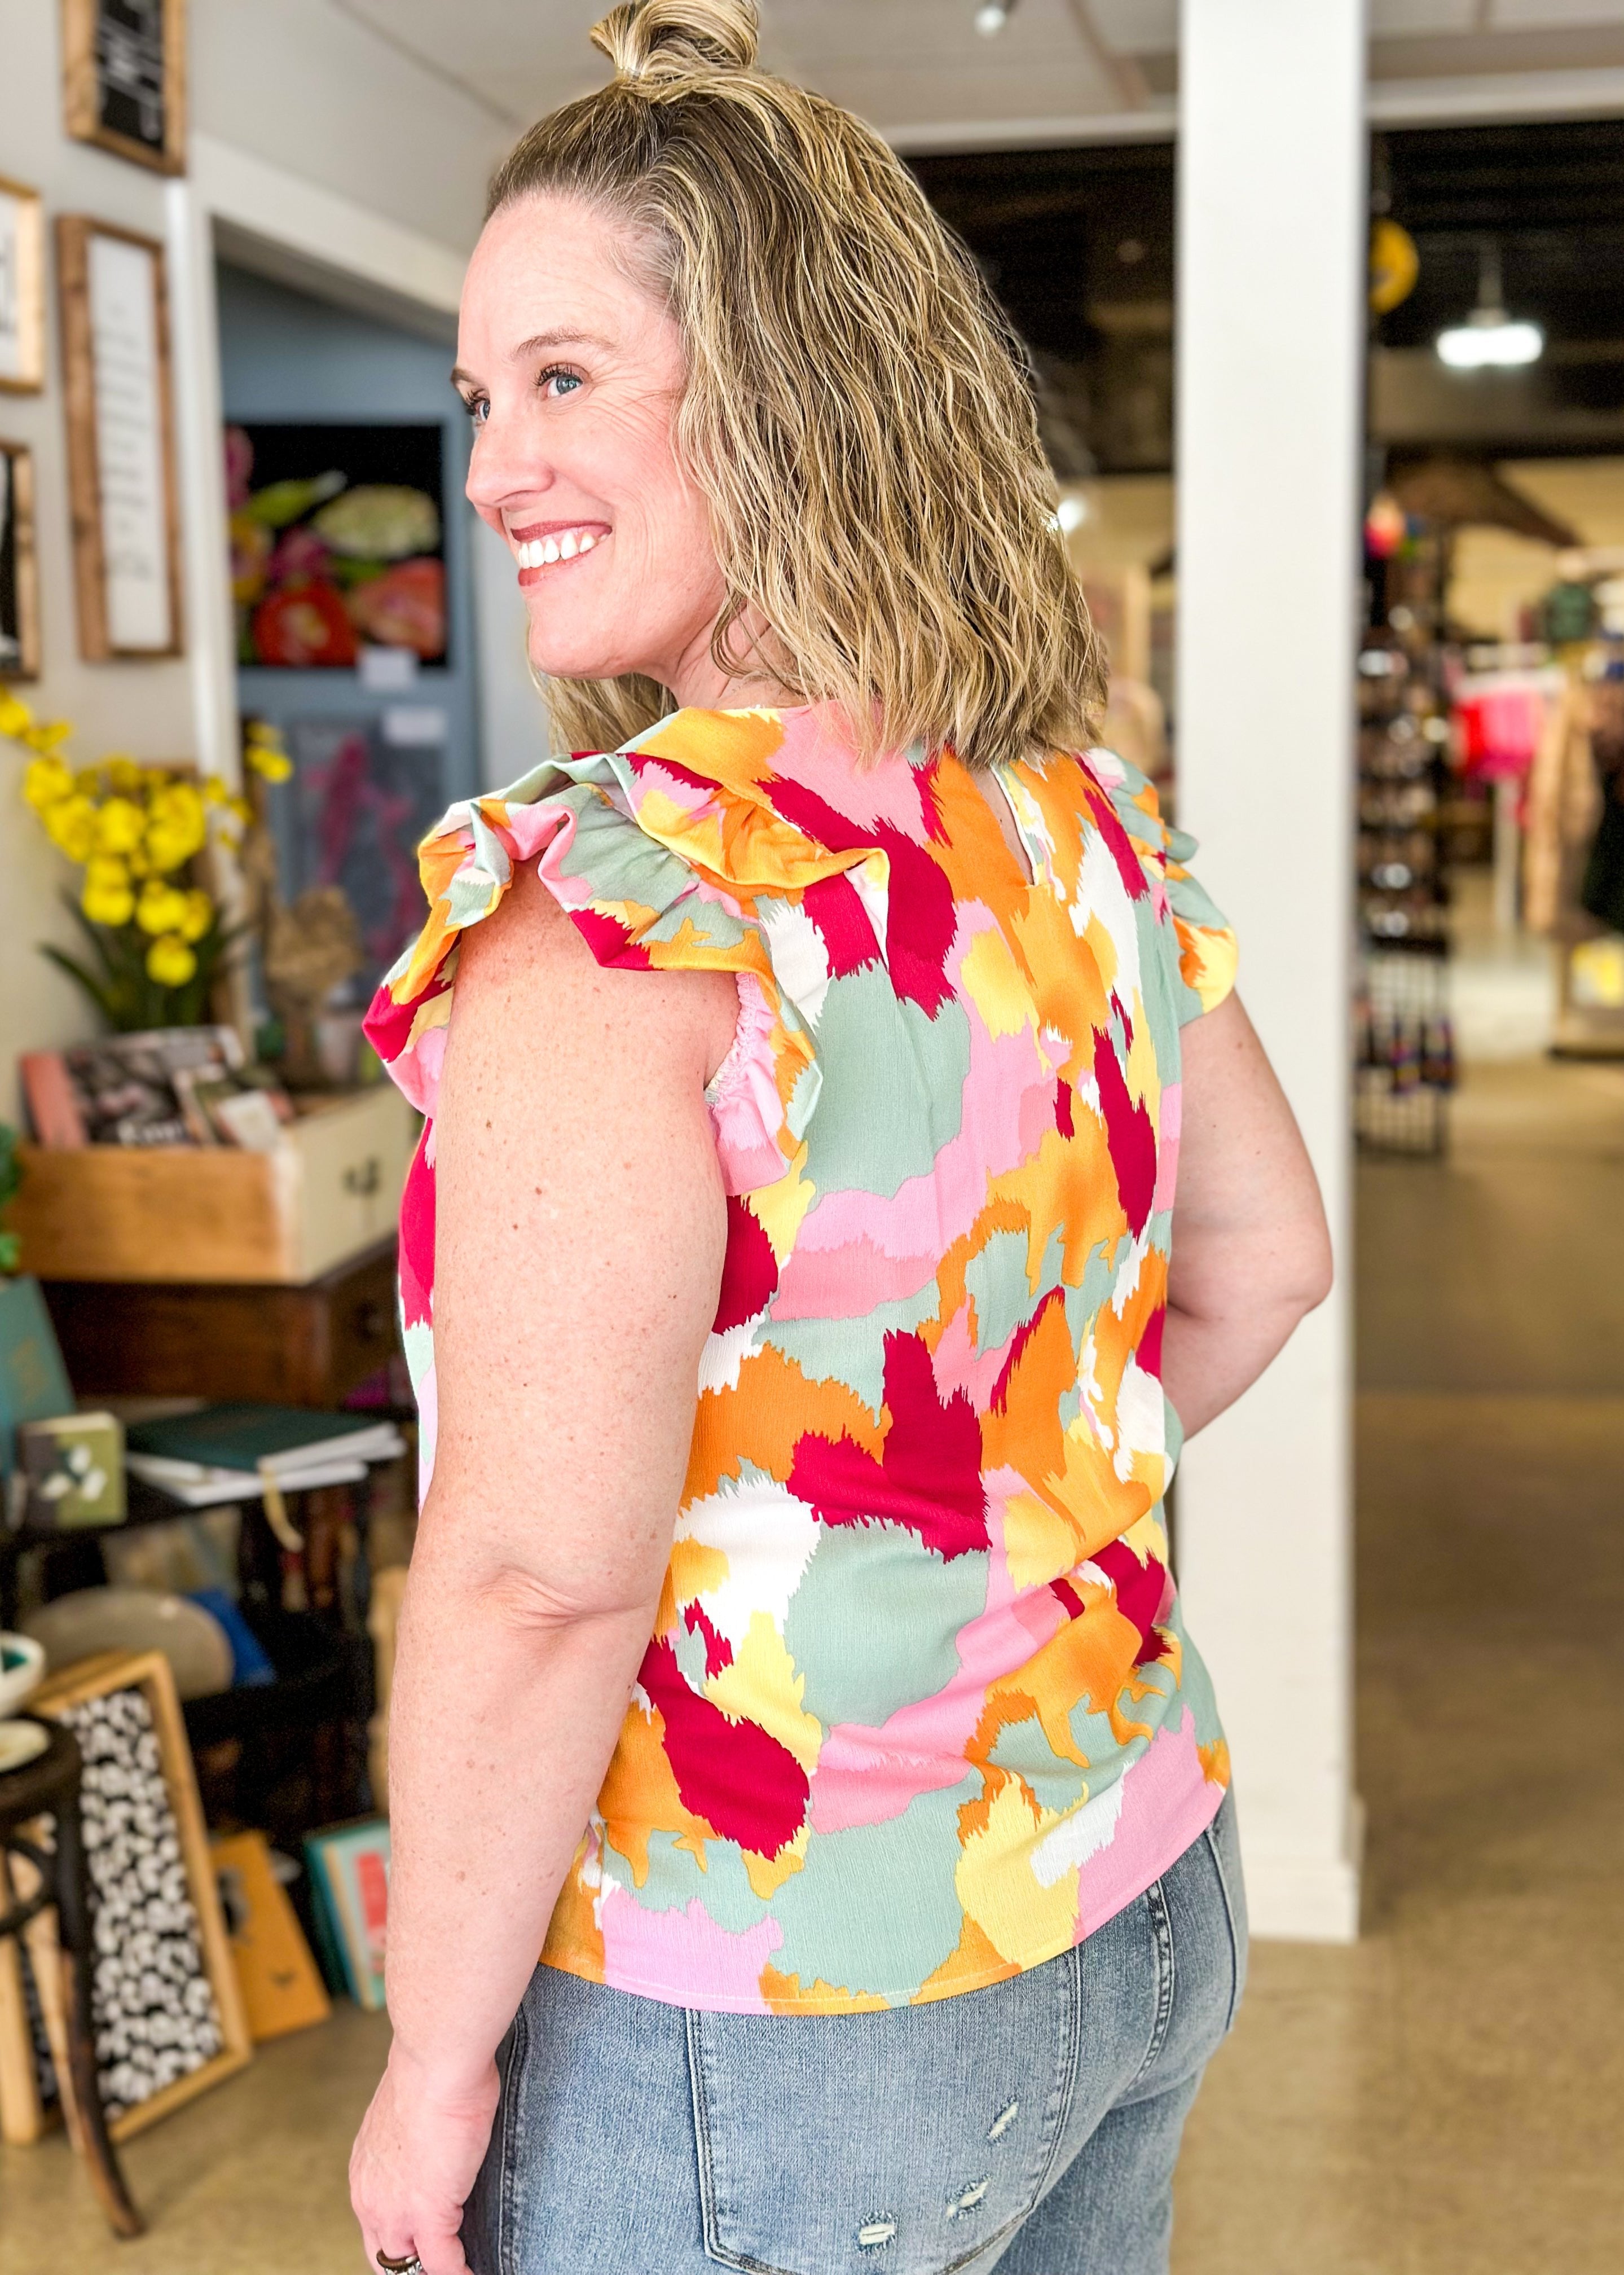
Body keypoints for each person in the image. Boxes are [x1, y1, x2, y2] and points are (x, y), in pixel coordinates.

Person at [350, 6, 1332, 2270]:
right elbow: (1263, 1264)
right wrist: (974, 1543)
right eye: (486, 393)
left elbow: (535, 1578)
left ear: (787, 388)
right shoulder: (1078, 831)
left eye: (569, 378)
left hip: (769, 2005)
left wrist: (429, 2063)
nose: (496, 466)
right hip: (1139, 1891)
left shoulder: (620, 913)